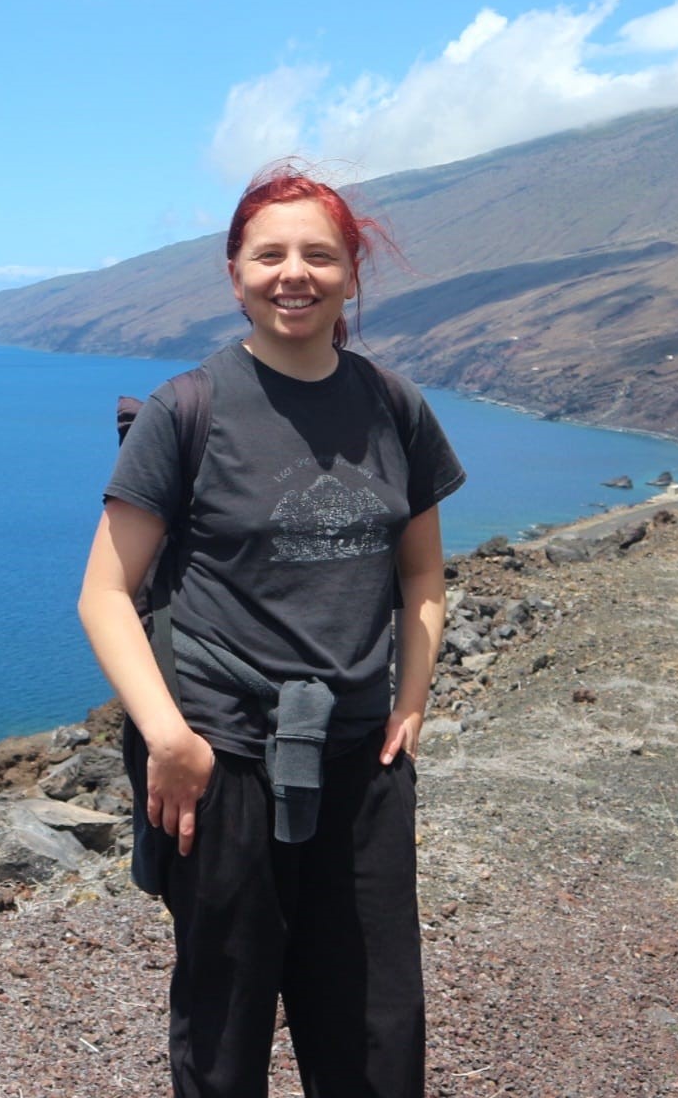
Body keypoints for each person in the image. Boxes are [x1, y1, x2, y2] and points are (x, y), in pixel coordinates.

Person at [78, 163, 466, 1098]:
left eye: (319, 255)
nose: (295, 273)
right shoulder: (187, 410)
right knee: (225, 1019)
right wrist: (170, 739)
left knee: (376, 1022)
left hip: (359, 760)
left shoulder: (394, 408)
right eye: (271, 254)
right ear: (235, 273)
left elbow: (420, 572)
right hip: (222, 760)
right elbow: (104, 592)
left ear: (351, 275)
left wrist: (410, 701)